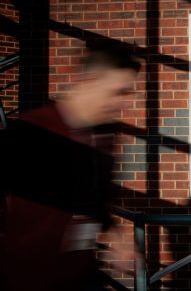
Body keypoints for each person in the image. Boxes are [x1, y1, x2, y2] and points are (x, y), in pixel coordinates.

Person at [0, 43, 141, 291]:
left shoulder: (108, 137)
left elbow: (95, 202)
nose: (126, 103)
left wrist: (117, 236)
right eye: (119, 92)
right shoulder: (33, 132)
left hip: (81, 277)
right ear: (89, 80)